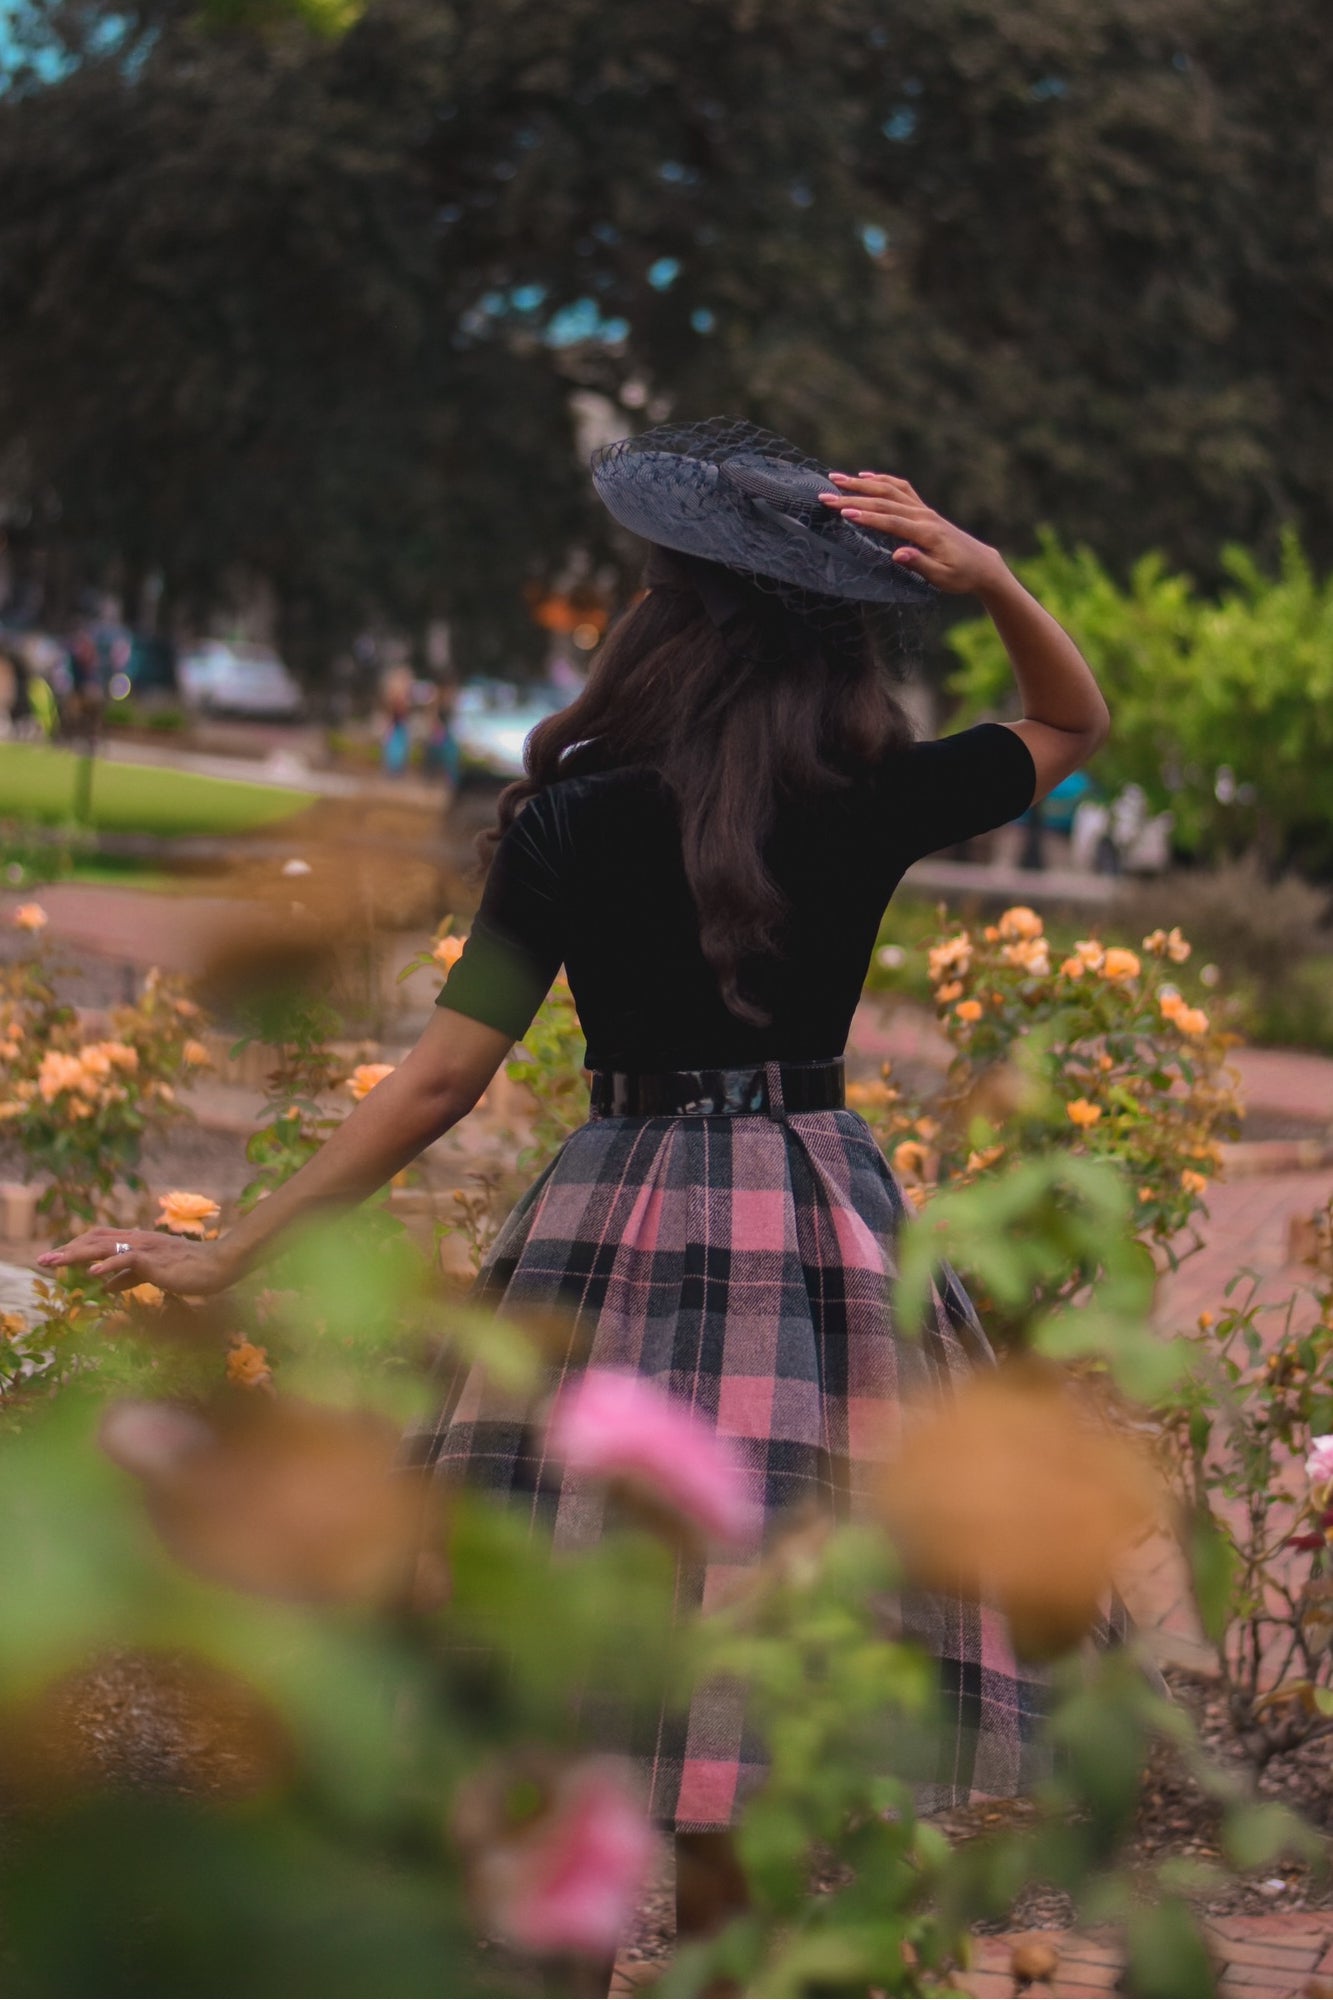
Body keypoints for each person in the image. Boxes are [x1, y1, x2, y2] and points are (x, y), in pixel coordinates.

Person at [42, 421, 1109, 1969]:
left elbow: (436, 1083)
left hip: (605, 1234)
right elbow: (1069, 719)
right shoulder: (865, 791)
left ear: (664, 622)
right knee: (741, 1715)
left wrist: (231, 1258)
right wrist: (989, 575)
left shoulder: (570, 818)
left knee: (562, 1709)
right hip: (817, 1240)